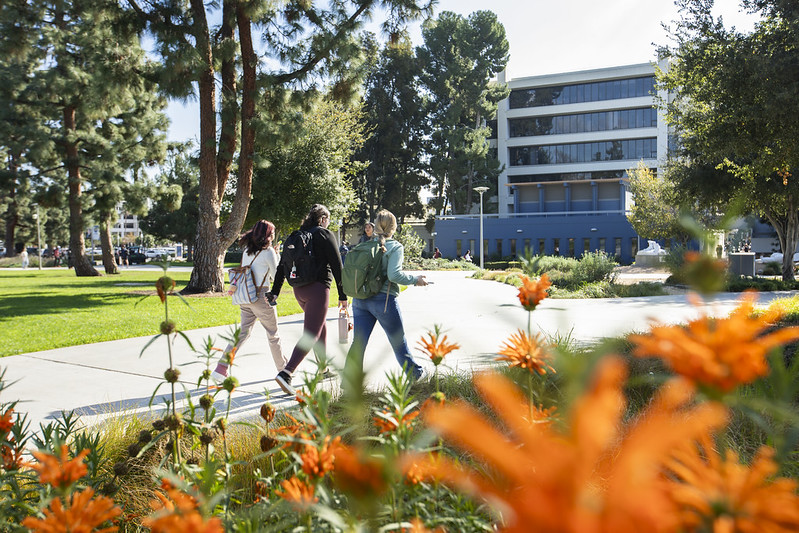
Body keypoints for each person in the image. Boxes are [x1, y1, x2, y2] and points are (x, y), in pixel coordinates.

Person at [344, 209, 427, 389]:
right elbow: (394, 275)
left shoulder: (365, 245)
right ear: (393, 227)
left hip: (360, 300)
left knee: (358, 343)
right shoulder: (394, 247)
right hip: (383, 301)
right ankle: (415, 374)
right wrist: (415, 280)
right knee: (398, 340)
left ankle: (349, 382)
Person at [269, 204, 347, 395]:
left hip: (299, 291)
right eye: (327, 220)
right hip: (318, 290)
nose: (328, 223)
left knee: (319, 327)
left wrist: (275, 291)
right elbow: (337, 266)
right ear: (322, 219)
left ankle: (323, 369)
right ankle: (286, 373)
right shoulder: (324, 235)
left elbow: (281, 266)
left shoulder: (296, 235)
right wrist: (343, 295)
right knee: (310, 334)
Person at [212, 220, 287, 381]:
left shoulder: (247, 251)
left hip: (245, 296)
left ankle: (221, 367)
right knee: (273, 335)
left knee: (242, 333)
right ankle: (284, 371)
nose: (273, 236)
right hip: (261, 297)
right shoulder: (268, 253)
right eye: (272, 233)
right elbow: (276, 276)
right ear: (267, 235)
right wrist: (277, 255)